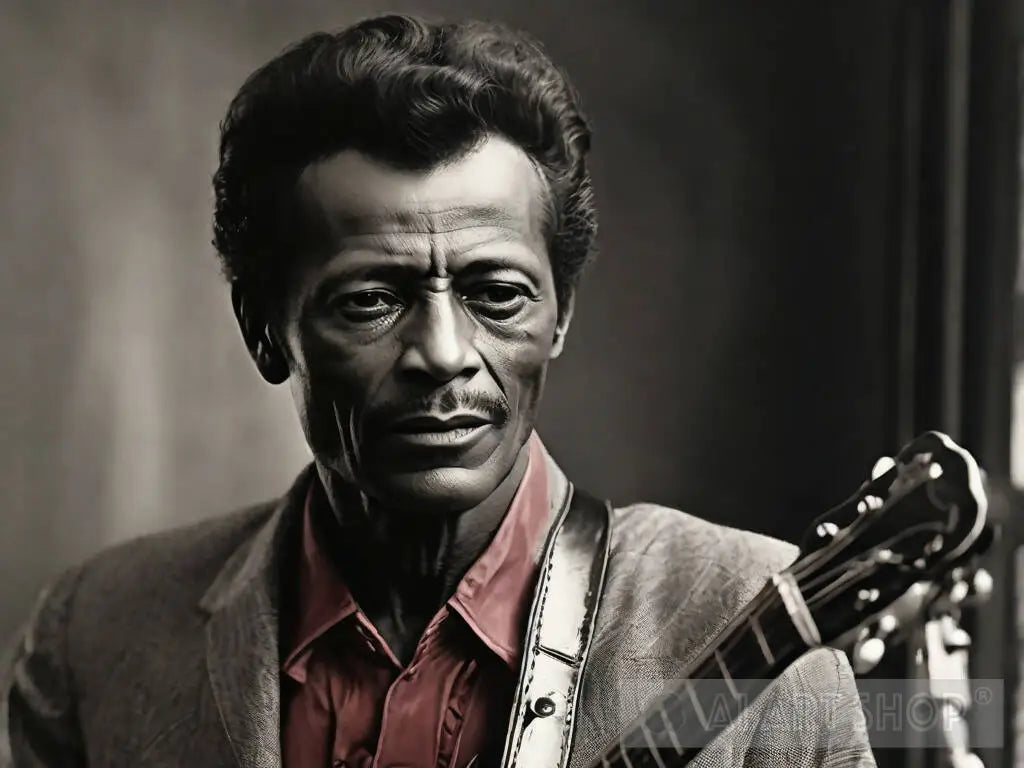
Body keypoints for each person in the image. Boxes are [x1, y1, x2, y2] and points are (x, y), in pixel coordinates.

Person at [0, 14, 875, 768]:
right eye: (370, 301)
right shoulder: (95, 639)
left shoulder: (767, 627)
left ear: (561, 315)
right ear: (263, 329)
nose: (443, 355)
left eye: (497, 295)